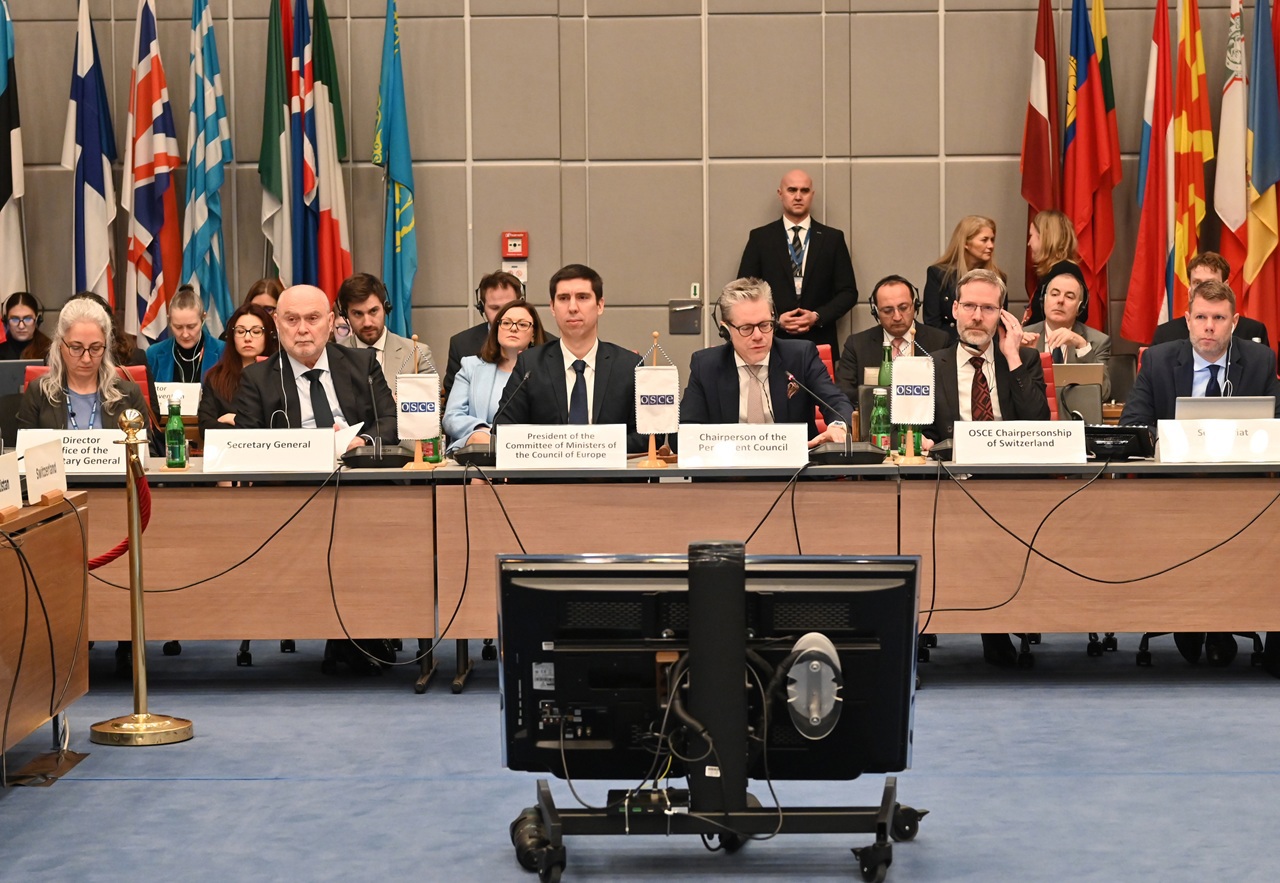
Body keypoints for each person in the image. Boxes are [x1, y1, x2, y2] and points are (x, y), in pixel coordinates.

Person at [1121, 280, 1280, 673]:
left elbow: (1276, 425)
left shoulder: (1260, 361)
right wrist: (1176, 442)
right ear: (1188, 320)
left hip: (1240, 493)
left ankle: (1220, 624)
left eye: (1219, 318)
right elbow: (1133, 425)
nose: (1209, 326)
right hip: (1172, 492)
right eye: (1202, 317)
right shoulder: (1158, 360)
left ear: (1234, 322)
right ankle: (1188, 617)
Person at [922, 268, 1051, 669]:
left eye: (989, 308)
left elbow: (1038, 424)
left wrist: (1012, 356)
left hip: (1011, 485)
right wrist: (922, 442)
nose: (978, 316)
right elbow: (910, 430)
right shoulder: (929, 365)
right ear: (955, 310)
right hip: (949, 483)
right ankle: (985, 627)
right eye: (970, 306)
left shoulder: (1024, 360)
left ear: (1002, 316)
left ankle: (1000, 623)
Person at [493, 263, 645, 452]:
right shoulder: (530, 365)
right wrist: (562, 448)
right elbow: (503, 430)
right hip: (547, 470)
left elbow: (647, 436)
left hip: (610, 470)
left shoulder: (628, 366)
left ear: (600, 305)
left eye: (583, 297)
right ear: (552, 307)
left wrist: (595, 448)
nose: (573, 307)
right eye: (563, 298)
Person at [681, 278, 852, 443]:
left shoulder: (800, 356)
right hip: (729, 462)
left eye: (764, 325)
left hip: (794, 462)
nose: (758, 336)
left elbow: (837, 403)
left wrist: (838, 427)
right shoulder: (706, 366)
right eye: (746, 328)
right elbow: (683, 432)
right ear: (725, 330)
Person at [231, 284, 397, 446]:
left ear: (330, 322)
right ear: (277, 323)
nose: (302, 329)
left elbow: (391, 419)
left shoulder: (363, 364)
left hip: (354, 460)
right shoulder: (256, 379)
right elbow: (247, 442)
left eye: (312, 318)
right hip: (295, 463)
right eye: (292, 319)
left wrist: (362, 441)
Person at [736, 169, 858, 351]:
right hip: (771, 340)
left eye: (804, 191)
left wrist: (817, 316)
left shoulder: (832, 239)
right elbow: (744, 290)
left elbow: (848, 293)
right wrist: (774, 320)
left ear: (812, 194)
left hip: (820, 341)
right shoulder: (760, 238)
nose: (798, 196)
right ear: (780, 194)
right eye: (792, 190)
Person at [16, 296, 149, 430]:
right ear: (60, 346)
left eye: (95, 348)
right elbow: (25, 443)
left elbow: (145, 444)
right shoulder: (38, 394)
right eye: (76, 348)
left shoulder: (130, 395)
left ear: (106, 347)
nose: (86, 359)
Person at [835, 275, 951, 427]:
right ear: (875, 312)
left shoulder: (939, 341)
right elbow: (844, 394)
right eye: (887, 310)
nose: (897, 317)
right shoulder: (857, 344)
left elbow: (946, 397)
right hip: (874, 426)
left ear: (915, 306)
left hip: (926, 430)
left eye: (903, 308)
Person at [443, 299, 546, 453]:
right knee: (481, 442)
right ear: (497, 329)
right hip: (478, 447)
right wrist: (484, 432)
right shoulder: (471, 367)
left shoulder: (545, 371)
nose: (513, 328)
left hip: (528, 449)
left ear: (533, 334)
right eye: (506, 323)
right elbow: (452, 417)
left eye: (522, 324)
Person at [1020, 261, 1112, 400]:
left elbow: (1103, 393)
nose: (1060, 301)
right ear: (1044, 300)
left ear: (1080, 307)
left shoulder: (1097, 341)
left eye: (1069, 296)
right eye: (1054, 294)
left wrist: (1082, 346)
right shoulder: (1022, 337)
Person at [336, 272, 433, 398]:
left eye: (373, 311)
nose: (367, 323)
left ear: (386, 308)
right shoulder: (334, 355)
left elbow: (429, 403)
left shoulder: (417, 354)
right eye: (358, 314)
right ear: (345, 315)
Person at [1149, 252, 1269, 347]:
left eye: (1210, 283)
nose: (1203, 289)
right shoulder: (1166, 335)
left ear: (1226, 286)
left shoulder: (1253, 331)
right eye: (1197, 283)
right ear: (1189, 290)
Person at [197, 303, 279, 437]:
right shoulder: (216, 377)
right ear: (231, 336)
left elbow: (281, 426)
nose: (247, 338)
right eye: (240, 332)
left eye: (256, 332)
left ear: (269, 336)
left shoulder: (281, 374)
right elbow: (205, 426)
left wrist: (236, 420)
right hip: (225, 448)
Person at [443, 270, 524, 399]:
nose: (503, 315)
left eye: (509, 307)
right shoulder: (461, 345)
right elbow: (452, 402)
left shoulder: (546, 344)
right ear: (481, 308)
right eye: (495, 308)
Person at [922, 216, 1003, 342]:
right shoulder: (939, 274)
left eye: (992, 240)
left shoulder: (998, 278)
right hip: (947, 345)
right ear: (966, 243)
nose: (991, 245)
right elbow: (931, 322)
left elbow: (1000, 324)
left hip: (985, 346)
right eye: (984, 240)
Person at [145, 286, 224, 383]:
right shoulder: (153, 354)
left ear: (203, 318)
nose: (185, 334)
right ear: (169, 321)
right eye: (178, 327)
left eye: (191, 326)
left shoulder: (223, 351)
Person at [1022, 209, 1079, 325]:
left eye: (1031, 236)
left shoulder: (1064, 272)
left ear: (1045, 238)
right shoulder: (1053, 270)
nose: (1029, 243)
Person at [1, 292, 51, 361]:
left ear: (37, 320)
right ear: (6, 321)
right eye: (15, 319)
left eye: (28, 319)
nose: (21, 326)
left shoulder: (51, 351)